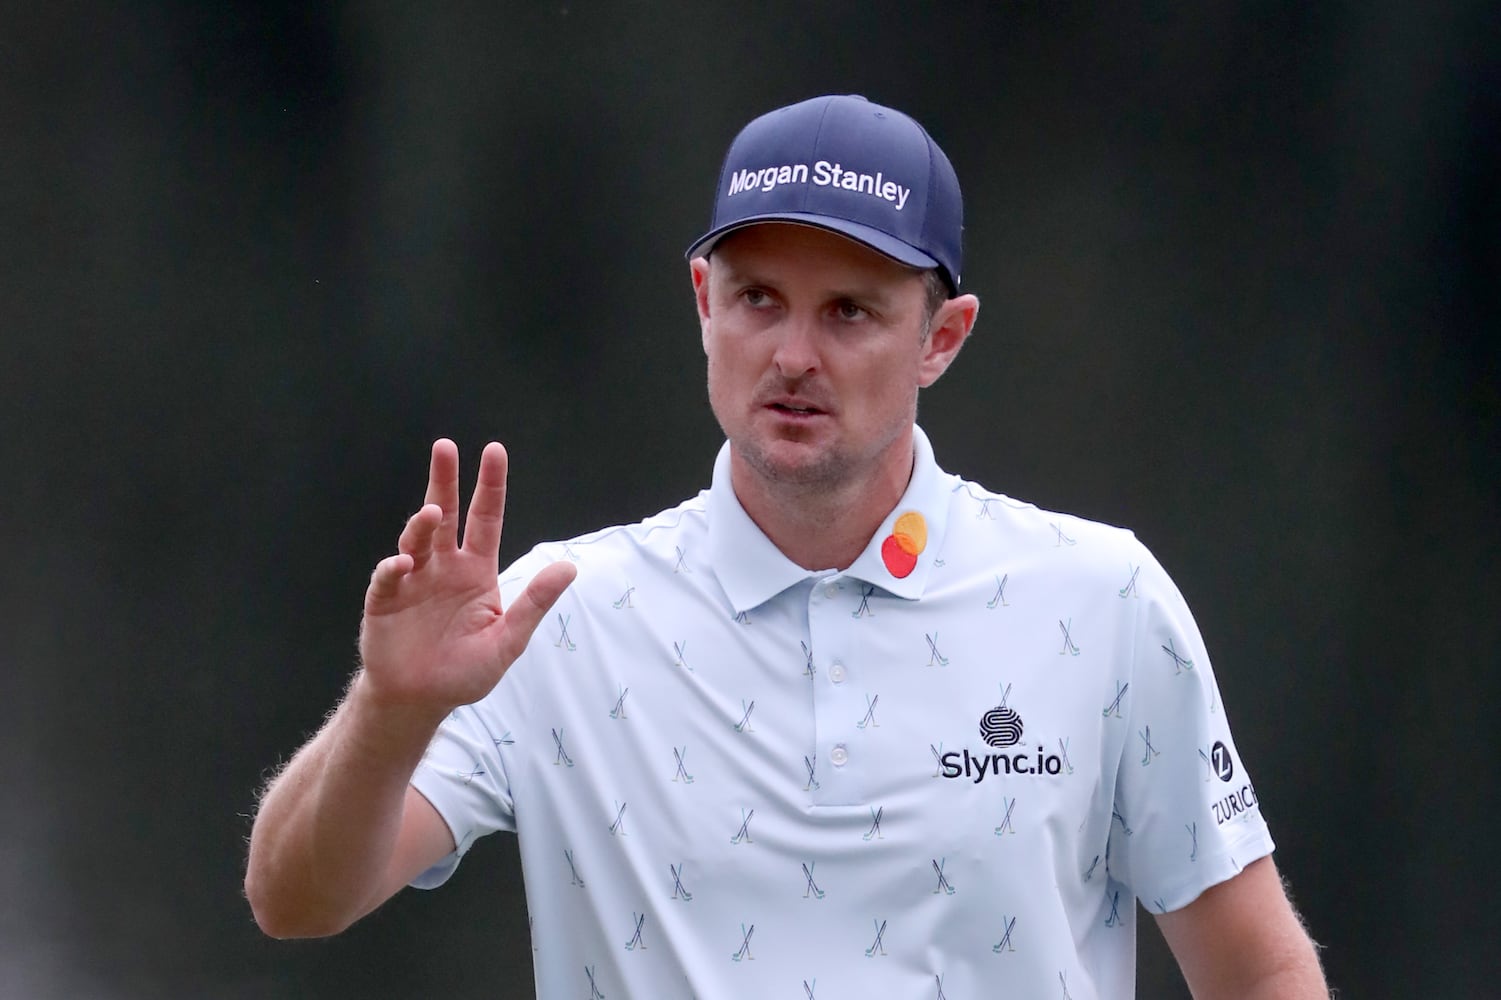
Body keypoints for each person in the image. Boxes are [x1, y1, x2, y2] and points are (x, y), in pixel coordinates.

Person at [246, 94, 1327, 998]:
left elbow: (1257, 972)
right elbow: (294, 897)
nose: (793, 355)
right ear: (703, 302)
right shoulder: (555, 612)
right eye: (759, 300)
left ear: (939, 339)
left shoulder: (1101, 602)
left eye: (850, 312)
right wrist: (392, 712)